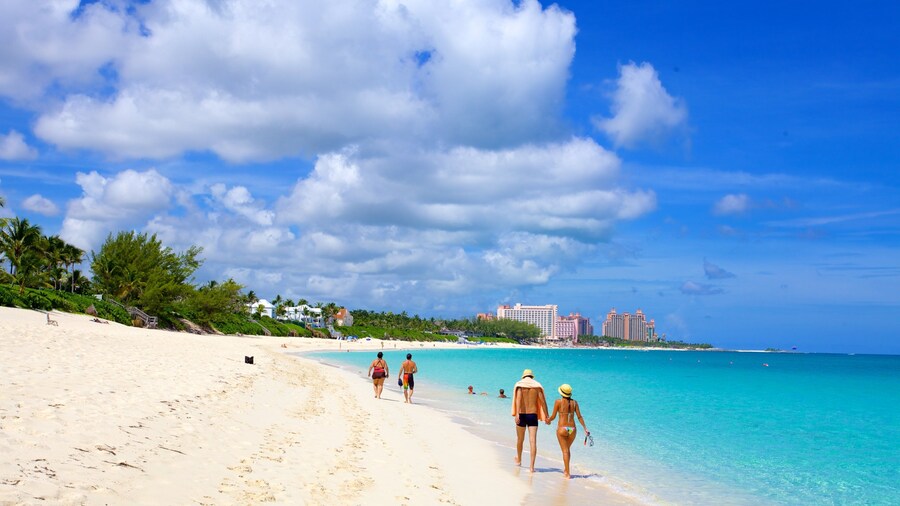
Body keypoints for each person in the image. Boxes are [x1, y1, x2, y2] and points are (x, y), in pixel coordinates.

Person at [546, 384, 589, 479]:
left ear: (561, 392)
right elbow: (579, 417)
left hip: (562, 428)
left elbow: (553, 416)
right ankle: (566, 469)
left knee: (565, 451)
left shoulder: (558, 402)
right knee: (567, 450)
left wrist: (548, 420)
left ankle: (567, 473)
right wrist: (585, 428)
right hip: (572, 429)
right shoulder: (575, 403)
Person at [511, 369, 548, 472]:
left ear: (523, 376)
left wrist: (517, 414)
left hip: (522, 415)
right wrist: (547, 416)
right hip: (533, 415)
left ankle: (519, 460)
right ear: (532, 377)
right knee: (533, 442)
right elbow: (543, 402)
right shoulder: (537, 386)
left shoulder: (520, 385)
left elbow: (518, 400)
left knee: (520, 439)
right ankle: (532, 467)